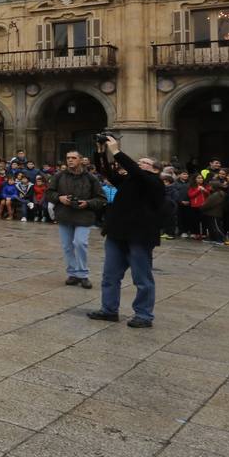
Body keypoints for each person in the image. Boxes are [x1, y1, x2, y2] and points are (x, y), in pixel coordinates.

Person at [88, 136, 165, 328]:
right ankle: (109, 310)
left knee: (142, 278)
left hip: (140, 235)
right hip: (117, 233)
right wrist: (100, 152)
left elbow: (137, 172)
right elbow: (105, 172)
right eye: (139, 162)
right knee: (110, 275)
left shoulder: (155, 183)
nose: (140, 164)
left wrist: (116, 151)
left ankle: (144, 315)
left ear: (155, 169)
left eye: (145, 163)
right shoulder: (129, 181)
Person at [44, 151, 105, 289]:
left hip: (83, 216)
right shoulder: (59, 176)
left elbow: (101, 198)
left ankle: (83, 274)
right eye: (68, 158)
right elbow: (48, 193)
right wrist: (59, 198)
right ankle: (72, 273)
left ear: (81, 160)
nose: (70, 160)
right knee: (67, 246)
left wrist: (88, 203)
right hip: (65, 214)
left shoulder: (91, 178)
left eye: (73, 158)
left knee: (80, 243)